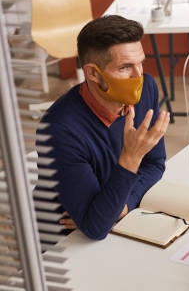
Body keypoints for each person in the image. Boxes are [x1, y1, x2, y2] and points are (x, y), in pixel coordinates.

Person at [37, 15, 170, 240]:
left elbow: (155, 164)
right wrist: (131, 158)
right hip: (64, 237)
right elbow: (96, 228)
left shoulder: (146, 87)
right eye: (125, 67)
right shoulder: (58, 130)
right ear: (93, 73)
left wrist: (122, 205)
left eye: (140, 63)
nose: (138, 76)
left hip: (116, 219)